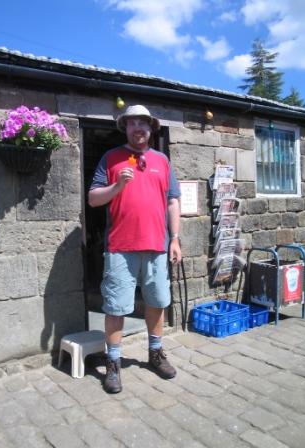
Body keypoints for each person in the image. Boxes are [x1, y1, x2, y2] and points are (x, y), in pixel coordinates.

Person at [88, 105, 182, 393]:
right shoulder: (111, 158)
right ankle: (113, 363)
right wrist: (117, 185)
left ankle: (155, 353)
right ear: (125, 128)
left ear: (151, 128)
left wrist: (175, 239)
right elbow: (93, 199)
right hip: (120, 247)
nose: (138, 127)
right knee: (116, 307)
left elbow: (172, 201)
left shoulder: (162, 161)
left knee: (157, 302)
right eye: (132, 123)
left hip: (157, 246)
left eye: (143, 122)